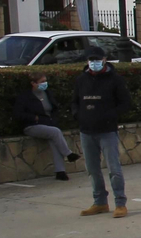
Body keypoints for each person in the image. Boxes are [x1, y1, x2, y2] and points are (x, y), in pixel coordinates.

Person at [74, 45, 131, 218]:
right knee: (92, 169)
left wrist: (109, 115)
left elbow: (125, 103)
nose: (94, 63)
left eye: (97, 60)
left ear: (104, 60)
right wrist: (78, 115)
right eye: (91, 60)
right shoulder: (81, 80)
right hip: (87, 130)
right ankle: (99, 202)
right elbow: (75, 101)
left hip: (107, 130)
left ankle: (120, 203)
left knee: (114, 169)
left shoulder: (115, 80)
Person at [14, 72, 80, 181]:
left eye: (45, 81)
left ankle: (60, 171)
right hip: (33, 126)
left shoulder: (47, 93)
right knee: (55, 132)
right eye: (42, 82)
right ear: (33, 83)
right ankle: (68, 154)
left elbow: (54, 109)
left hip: (49, 125)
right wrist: (35, 118)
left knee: (55, 139)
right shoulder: (25, 97)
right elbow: (18, 114)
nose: (45, 84)